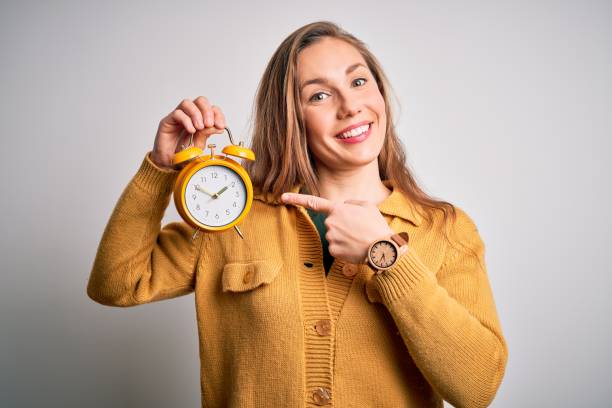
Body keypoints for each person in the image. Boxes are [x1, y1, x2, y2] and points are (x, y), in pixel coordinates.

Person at [87, 21, 508, 408]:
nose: (349, 106)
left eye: (359, 81)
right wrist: (161, 168)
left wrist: (387, 256)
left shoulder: (446, 230)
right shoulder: (234, 218)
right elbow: (116, 283)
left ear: (380, 95)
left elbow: (477, 388)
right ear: (291, 118)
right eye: (319, 95)